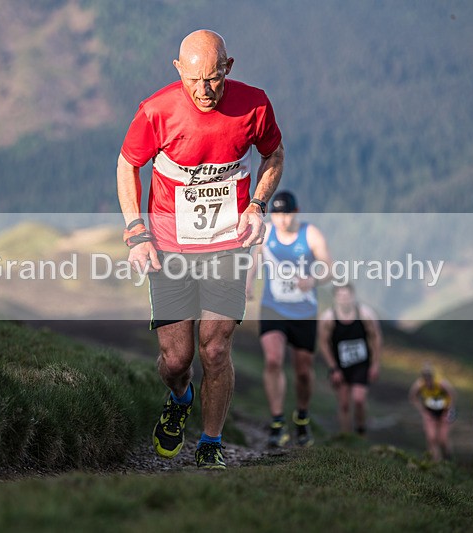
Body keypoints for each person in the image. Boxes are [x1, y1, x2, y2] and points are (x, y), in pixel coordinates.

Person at [117, 30, 284, 469]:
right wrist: (136, 230)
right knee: (177, 359)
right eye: (194, 81)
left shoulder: (254, 105)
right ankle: (180, 397)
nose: (204, 91)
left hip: (228, 243)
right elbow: (128, 163)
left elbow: (274, 154)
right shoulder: (156, 110)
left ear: (228, 68)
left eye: (213, 79)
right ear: (178, 70)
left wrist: (257, 205)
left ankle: (211, 442)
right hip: (170, 245)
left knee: (214, 348)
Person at [246, 191, 333, 448]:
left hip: (304, 312)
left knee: (303, 371)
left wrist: (313, 279)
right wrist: (249, 283)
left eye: (287, 214)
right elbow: (255, 259)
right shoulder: (268, 233)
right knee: (273, 361)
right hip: (273, 308)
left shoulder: (310, 234)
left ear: (296, 212)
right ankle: (276, 422)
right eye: (278, 214)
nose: (282, 219)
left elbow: (329, 267)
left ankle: (302, 417)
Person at [318, 284, 382, 436]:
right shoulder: (328, 318)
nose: (344, 300)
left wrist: (375, 364)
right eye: (341, 296)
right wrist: (333, 368)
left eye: (347, 296)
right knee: (344, 403)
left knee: (359, 399)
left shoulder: (365, 314)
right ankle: (346, 438)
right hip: (340, 365)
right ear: (335, 298)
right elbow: (323, 343)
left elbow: (376, 337)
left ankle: (361, 430)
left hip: (361, 363)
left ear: (353, 296)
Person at [408, 363, 456, 461]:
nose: (428, 380)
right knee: (431, 438)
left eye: (429, 377)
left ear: (433, 376)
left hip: (444, 412)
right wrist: (422, 410)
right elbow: (413, 397)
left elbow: (452, 394)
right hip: (430, 413)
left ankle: (448, 457)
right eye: (425, 377)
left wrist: (448, 408)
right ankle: (435, 461)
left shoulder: (441, 383)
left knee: (443, 439)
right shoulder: (420, 385)